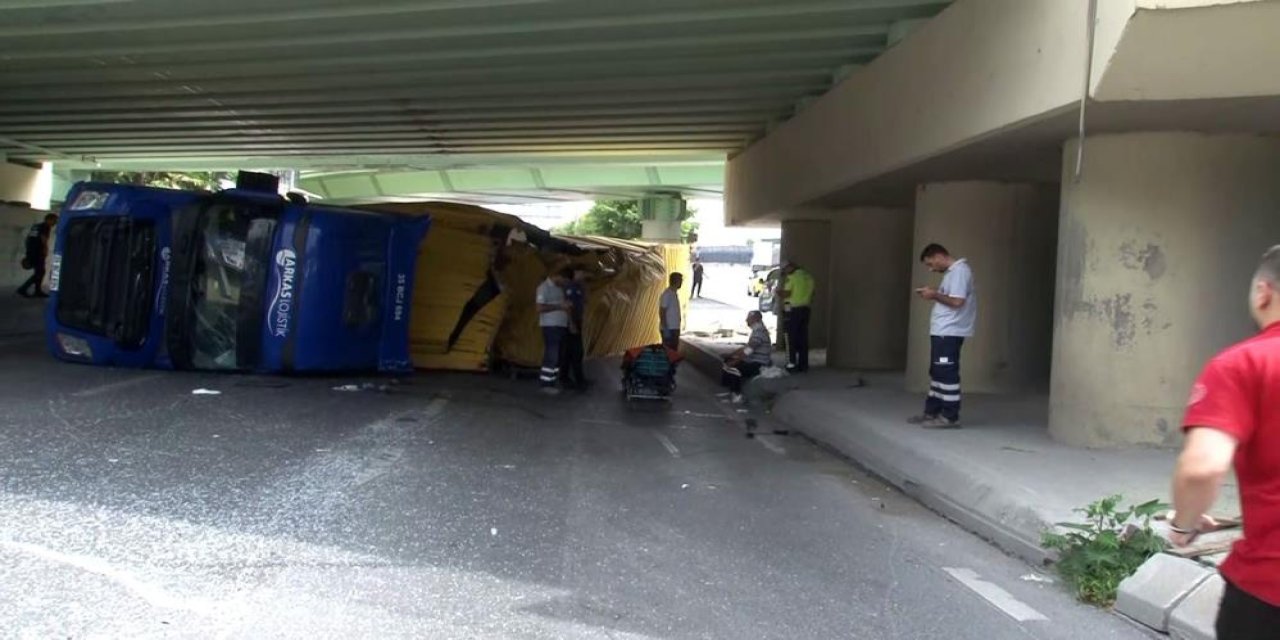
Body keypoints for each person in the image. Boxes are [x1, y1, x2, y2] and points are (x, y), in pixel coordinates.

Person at [1170, 246, 1280, 637]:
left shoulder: (1244, 363)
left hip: (1269, 590)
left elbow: (1203, 467)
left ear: (1264, 293)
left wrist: (1185, 523)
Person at [909, 243, 976, 429]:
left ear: (939, 256)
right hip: (942, 333)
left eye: (931, 264)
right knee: (937, 370)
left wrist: (934, 295)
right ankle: (932, 412)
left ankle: (950, 416)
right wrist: (935, 293)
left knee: (946, 370)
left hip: (949, 333)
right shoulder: (952, 273)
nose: (931, 269)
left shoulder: (960, 272)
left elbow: (957, 302)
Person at [535, 267, 574, 395]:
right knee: (551, 355)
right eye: (564, 281)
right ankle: (545, 384)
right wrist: (559, 306)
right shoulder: (543, 287)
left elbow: (565, 308)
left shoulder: (559, 289)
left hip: (561, 326)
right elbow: (539, 308)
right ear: (559, 276)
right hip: (550, 326)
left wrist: (570, 322)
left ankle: (552, 381)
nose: (565, 284)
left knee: (559, 356)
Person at [721, 310, 773, 404]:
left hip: (759, 364)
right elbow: (746, 348)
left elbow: (748, 351)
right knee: (727, 361)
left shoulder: (760, 333)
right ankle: (731, 390)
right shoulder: (756, 331)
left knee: (734, 369)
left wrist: (736, 361)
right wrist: (731, 355)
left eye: (749, 319)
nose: (747, 321)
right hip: (752, 360)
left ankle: (737, 395)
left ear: (755, 320)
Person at [779, 261, 815, 372]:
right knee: (803, 338)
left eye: (785, 270)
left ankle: (791, 365)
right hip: (805, 309)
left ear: (790, 267)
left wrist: (777, 292)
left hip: (792, 310)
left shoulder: (792, 277)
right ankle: (803, 365)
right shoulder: (808, 276)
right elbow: (812, 292)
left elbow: (787, 293)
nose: (785, 272)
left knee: (790, 338)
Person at [561, 268, 589, 390]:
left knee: (569, 352)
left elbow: (585, 301)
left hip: (577, 322)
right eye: (581, 272)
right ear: (575, 273)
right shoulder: (570, 288)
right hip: (571, 323)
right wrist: (571, 324)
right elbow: (568, 308)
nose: (583, 274)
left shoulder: (579, 287)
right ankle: (579, 380)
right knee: (576, 352)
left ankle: (565, 377)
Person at [17, 213, 57, 299]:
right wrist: (45, 249)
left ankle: (37, 291)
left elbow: (28, 238)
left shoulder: (36, 226)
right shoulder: (46, 226)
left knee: (39, 272)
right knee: (40, 272)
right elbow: (43, 238)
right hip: (38, 252)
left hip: (31, 251)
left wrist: (28, 251)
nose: (55, 223)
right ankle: (23, 289)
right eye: (54, 220)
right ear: (49, 219)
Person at [659, 272, 683, 350]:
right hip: (669, 328)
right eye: (680, 280)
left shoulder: (674, 294)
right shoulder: (667, 294)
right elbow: (662, 312)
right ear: (675, 281)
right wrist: (665, 329)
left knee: (673, 351)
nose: (681, 283)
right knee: (669, 352)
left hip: (674, 327)